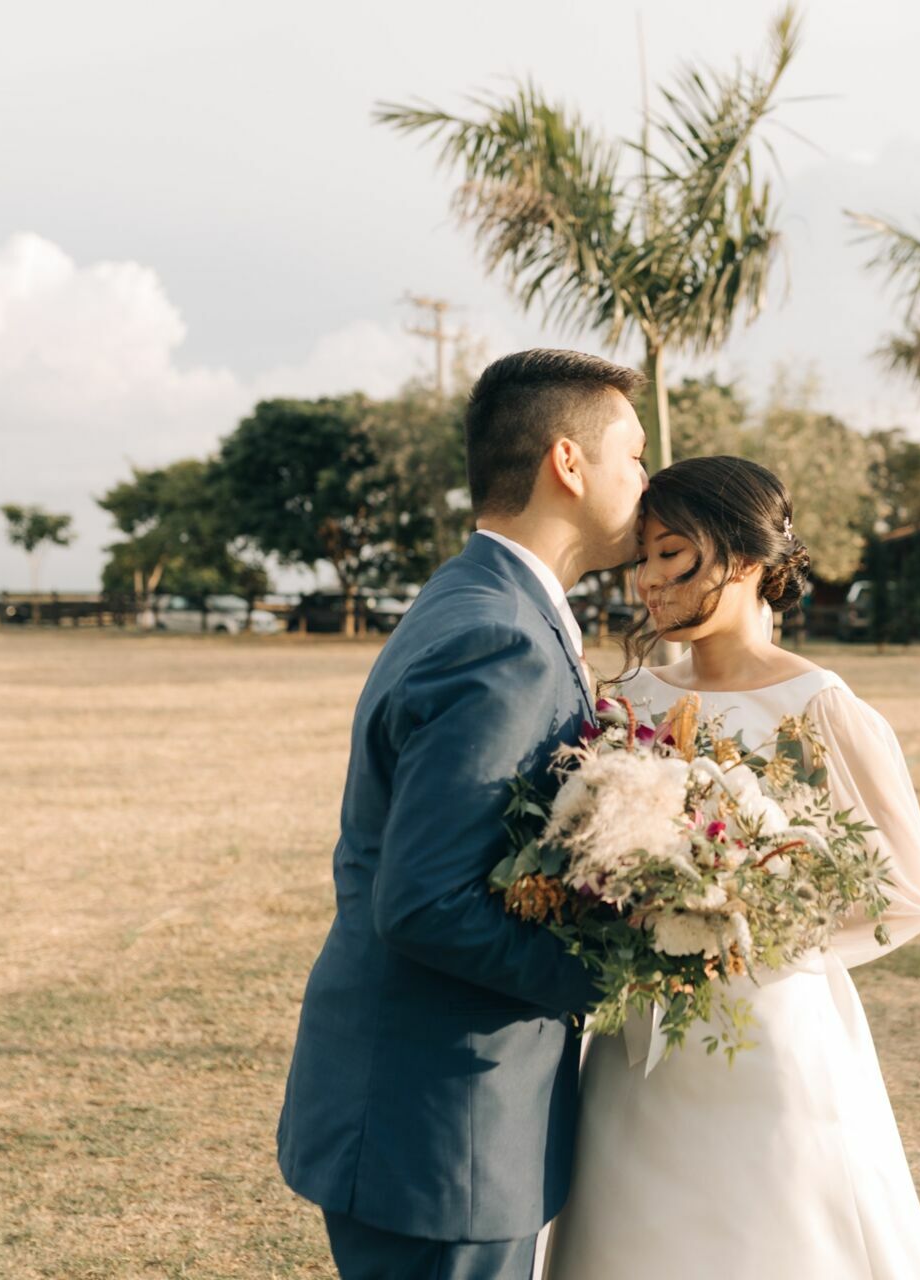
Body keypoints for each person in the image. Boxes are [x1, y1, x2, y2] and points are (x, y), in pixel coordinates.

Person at [276, 349, 649, 1280]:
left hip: (429, 1104)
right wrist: (602, 979)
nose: (645, 479)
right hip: (443, 1121)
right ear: (570, 463)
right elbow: (428, 900)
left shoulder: (482, 597)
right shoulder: (500, 636)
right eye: (634, 456)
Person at [541, 457, 920, 1279]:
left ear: (748, 559)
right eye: (642, 559)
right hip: (637, 1044)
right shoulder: (630, 702)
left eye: (671, 555)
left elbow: (909, 893)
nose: (647, 582)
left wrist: (760, 932)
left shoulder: (823, 706)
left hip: (771, 1034)